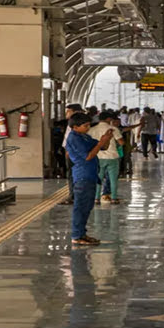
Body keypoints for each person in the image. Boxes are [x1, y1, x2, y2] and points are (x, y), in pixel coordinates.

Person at [65, 112, 113, 245]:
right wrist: (101, 143)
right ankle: (77, 235)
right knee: (80, 207)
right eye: (85, 125)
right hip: (82, 176)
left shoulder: (83, 136)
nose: (88, 128)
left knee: (86, 207)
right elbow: (88, 156)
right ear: (75, 127)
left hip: (90, 175)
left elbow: (102, 146)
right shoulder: (74, 139)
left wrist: (106, 138)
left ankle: (81, 233)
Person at [89, 111, 124, 205]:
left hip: (98, 157)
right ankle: (114, 198)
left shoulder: (92, 129)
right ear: (108, 119)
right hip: (112, 157)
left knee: (98, 178)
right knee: (113, 179)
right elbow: (121, 142)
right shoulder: (113, 129)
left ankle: (96, 198)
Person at [60, 104, 85, 205]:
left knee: (73, 174)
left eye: (68, 111)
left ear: (75, 111)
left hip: (74, 154)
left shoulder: (76, 123)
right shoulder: (74, 122)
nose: (66, 113)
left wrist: (68, 151)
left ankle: (73, 196)